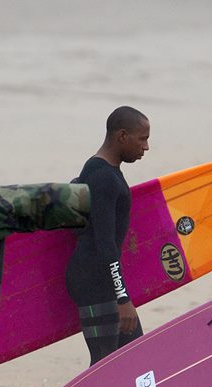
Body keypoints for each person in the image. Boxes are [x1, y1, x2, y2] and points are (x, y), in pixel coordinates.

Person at [65, 106, 150, 366]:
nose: (146, 147)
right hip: (94, 280)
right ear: (122, 136)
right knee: (105, 364)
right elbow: (105, 243)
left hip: (96, 277)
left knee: (133, 357)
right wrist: (122, 298)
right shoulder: (104, 178)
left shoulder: (95, 169)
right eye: (142, 138)